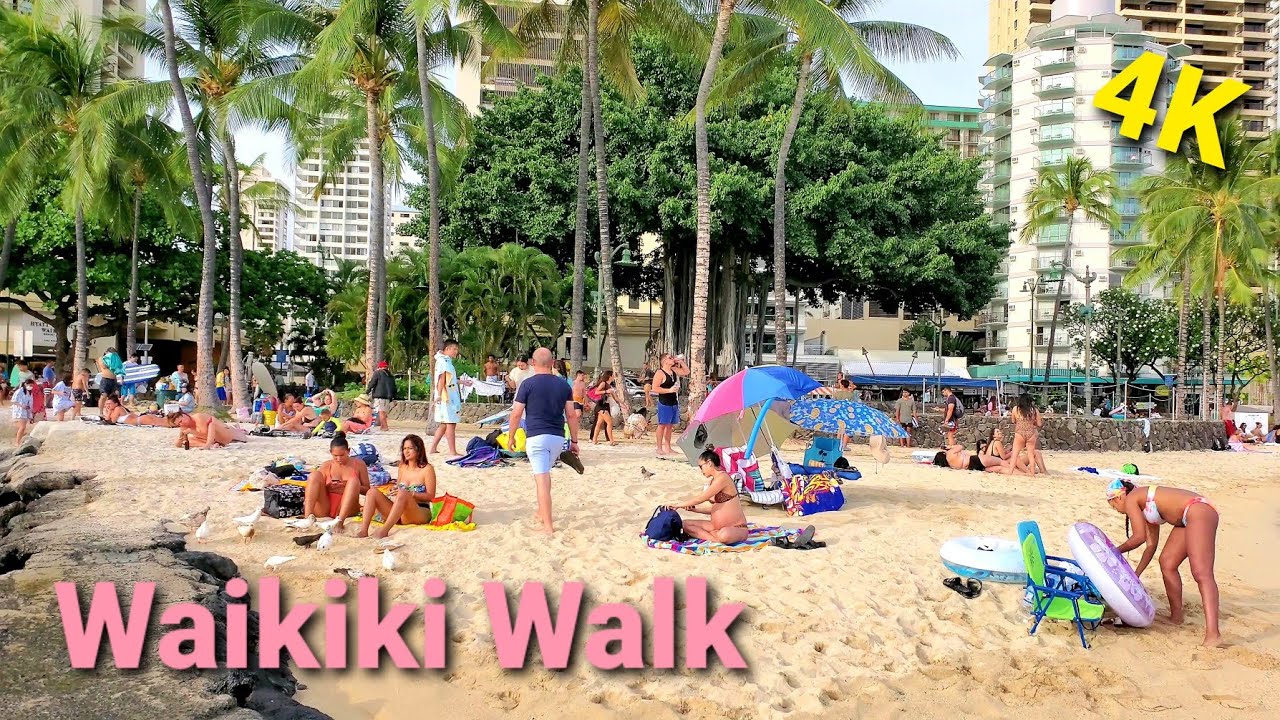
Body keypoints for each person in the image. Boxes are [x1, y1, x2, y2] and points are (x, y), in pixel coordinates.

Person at [1106, 479, 1221, 646]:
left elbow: (1138, 538)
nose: (1116, 510)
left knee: (1201, 573)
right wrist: (1135, 575)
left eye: (1113, 506)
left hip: (1198, 510)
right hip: (1185, 518)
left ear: (1118, 498)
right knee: (1167, 562)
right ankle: (1176, 617)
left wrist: (1113, 551)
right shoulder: (1145, 506)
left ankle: (1213, 634)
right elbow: (1150, 546)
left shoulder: (1132, 499)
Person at [508, 347, 582, 534]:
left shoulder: (527, 384)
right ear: (552, 363)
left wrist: (510, 437)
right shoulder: (563, 385)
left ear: (533, 363)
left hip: (536, 437)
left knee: (541, 479)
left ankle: (548, 526)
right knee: (544, 474)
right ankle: (541, 512)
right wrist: (574, 441)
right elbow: (571, 416)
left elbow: (516, 414)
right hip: (557, 437)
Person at [665, 447, 752, 544]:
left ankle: (713, 537)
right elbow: (718, 508)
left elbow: (701, 498)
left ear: (709, 463)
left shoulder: (723, 477)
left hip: (736, 527)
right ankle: (715, 537)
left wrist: (678, 505)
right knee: (685, 524)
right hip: (716, 526)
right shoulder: (713, 481)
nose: (701, 470)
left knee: (724, 535)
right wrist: (696, 510)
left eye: (701, 466)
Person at [358, 434, 438, 539]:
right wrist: (394, 489)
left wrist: (411, 494)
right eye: (404, 448)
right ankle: (364, 530)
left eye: (410, 448)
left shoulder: (427, 469)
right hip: (400, 512)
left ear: (418, 450)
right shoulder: (402, 467)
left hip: (419, 511)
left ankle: (384, 530)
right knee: (372, 492)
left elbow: (431, 497)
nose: (406, 451)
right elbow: (399, 487)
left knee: (403, 493)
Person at [303, 432, 371, 528]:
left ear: (349, 451)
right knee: (314, 475)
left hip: (347, 506)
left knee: (353, 480)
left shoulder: (359, 464)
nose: (338, 458)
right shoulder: (327, 465)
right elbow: (317, 486)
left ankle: (340, 522)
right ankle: (307, 517)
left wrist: (349, 486)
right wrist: (330, 486)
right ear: (330, 452)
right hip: (325, 506)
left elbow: (368, 490)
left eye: (342, 455)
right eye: (335, 456)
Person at [429, 339, 463, 456]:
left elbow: (450, 380)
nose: (455, 352)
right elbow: (441, 380)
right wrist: (438, 395)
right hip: (447, 397)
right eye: (454, 349)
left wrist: (463, 381)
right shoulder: (443, 362)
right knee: (450, 423)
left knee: (444, 424)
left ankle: (433, 447)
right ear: (447, 349)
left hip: (449, 395)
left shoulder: (445, 361)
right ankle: (452, 451)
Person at [652, 353, 689, 456]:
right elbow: (655, 388)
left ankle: (668, 447)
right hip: (664, 402)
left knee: (670, 426)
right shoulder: (660, 373)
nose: (673, 359)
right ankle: (659, 448)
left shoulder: (674, 370)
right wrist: (669, 390)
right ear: (665, 361)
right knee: (662, 425)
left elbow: (686, 372)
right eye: (670, 358)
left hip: (673, 401)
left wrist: (681, 362)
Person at [169, 410, 249, 449]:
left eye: (181, 421)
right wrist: (180, 437)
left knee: (211, 425)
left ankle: (208, 445)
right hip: (212, 440)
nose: (181, 424)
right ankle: (209, 445)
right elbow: (178, 445)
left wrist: (193, 432)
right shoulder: (184, 426)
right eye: (178, 424)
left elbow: (208, 433)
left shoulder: (198, 417)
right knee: (188, 439)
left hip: (224, 433)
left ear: (184, 415)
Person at [1009, 393, 1045, 475]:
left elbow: (1013, 421)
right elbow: (1039, 424)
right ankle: (1032, 474)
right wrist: (1033, 422)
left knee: (1015, 454)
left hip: (1019, 433)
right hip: (1030, 433)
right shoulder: (1034, 410)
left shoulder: (1015, 409)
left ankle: (1010, 472)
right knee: (1031, 455)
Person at [932, 443, 1020, 473]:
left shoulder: (950, 464)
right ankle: (1018, 472)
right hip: (974, 459)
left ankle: (1020, 473)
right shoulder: (950, 453)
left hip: (971, 467)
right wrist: (949, 447)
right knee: (1000, 462)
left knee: (999, 469)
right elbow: (960, 446)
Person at [589, 370, 617, 445]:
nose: (614, 377)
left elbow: (615, 398)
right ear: (610, 376)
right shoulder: (603, 383)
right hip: (601, 405)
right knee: (609, 423)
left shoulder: (609, 385)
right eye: (613, 375)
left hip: (604, 405)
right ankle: (611, 441)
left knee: (599, 423)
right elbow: (596, 392)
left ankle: (594, 440)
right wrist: (606, 391)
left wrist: (622, 404)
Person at [366, 360, 395, 432]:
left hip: (379, 396)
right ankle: (382, 426)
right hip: (387, 397)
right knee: (384, 412)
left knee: (380, 411)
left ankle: (385, 426)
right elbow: (394, 387)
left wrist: (367, 391)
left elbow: (372, 383)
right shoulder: (390, 375)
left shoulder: (378, 373)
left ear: (379, 367)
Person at [11, 377, 34, 444]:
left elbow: (30, 403)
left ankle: (18, 441)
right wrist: (22, 406)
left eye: (32, 386)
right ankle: (17, 442)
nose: (31, 387)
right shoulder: (19, 391)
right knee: (22, 427)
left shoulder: (29, 392)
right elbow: (13, 401)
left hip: (25, 411)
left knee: (22, 428)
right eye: (30, 385)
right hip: (19, 411)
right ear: (26, 384)